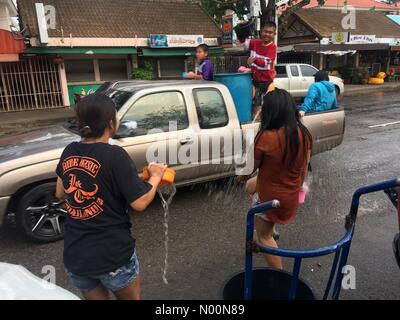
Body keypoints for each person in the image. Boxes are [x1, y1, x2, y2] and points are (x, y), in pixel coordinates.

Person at [55, 94, 167, 300]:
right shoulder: (115, 155)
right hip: (112, 255)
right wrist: (156, 178)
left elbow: (61, 192)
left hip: (76, 256)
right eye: (116, 116)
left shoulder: (69, 150)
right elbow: (140, 203)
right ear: (110, 124)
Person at [240, 89, 312, 269]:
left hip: (271, 198)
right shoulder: (303, 134)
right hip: (291, 194)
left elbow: (248, 169)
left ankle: (279, 274)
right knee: (250, 187)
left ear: (271, 111)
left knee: (262, 237)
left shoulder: (266, 137)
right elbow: (303, 170)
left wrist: (239, 175)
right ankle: (271, 229)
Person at [238, 22, 277, 117]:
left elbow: (265, 63)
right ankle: (255, 129)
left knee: (269, 109)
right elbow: (242, 43)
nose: (267, 34)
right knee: (255, 109)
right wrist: (241, 30)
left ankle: (267, 129)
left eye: (270, 32)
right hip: (255, 81)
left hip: (267, 82)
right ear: (261, 32)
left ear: (274, 34)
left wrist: (254, 60)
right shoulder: (254, 42)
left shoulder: (273, 47)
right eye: (265, 31)